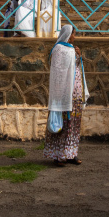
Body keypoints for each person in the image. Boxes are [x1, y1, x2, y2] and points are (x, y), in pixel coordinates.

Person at [43, 25, 89, 167]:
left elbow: (76, 68)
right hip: (62, 93)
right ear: (68, 34)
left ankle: (71, 153)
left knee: (73, 124)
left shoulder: (72, 50)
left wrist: (79, 57)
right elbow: (58, 71)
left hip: (75, 93)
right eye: (74, 34)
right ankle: (58, 155)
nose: (74, 37)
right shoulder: (58, 50)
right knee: (61, 124)